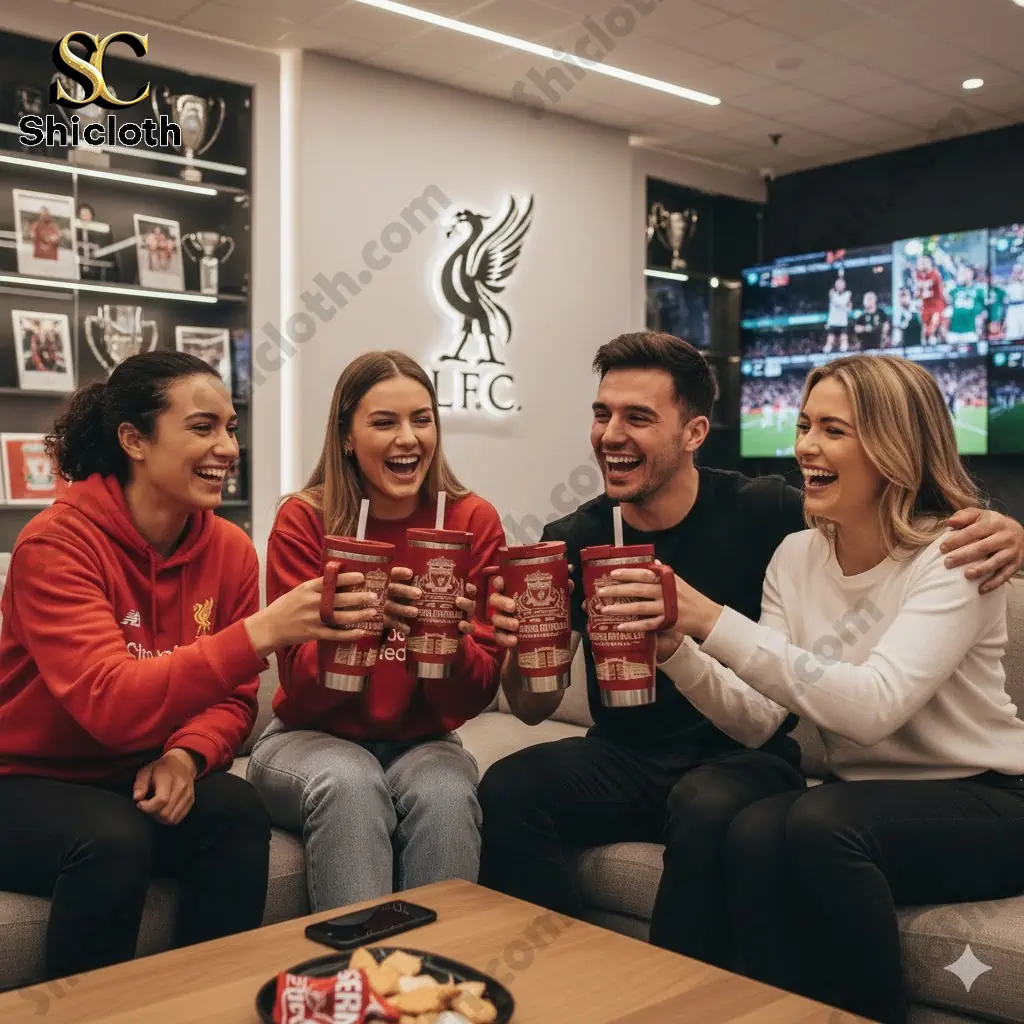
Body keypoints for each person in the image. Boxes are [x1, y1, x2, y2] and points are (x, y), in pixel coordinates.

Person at [477, 332, 1024, 975]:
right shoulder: (795, 551)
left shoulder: (802, 521)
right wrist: (670, 647)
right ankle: (574, 988)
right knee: (519, 787)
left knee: (785, 822)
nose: (804, 446)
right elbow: (757, 710)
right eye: (803, 425)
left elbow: (871, 702)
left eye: (832, 430)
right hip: (675, 759)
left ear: (694, 432)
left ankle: (681, 1002)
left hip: (938, 788)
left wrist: (703, 617)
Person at [0, 351, 348, 982]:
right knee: (110, 840)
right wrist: (259, 633)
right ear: (134, 439)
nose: (227, 447)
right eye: (202, 427)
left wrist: (187, 755)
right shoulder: (56, 544)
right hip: (22, 781)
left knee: (235, 810)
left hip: (137, 773)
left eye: (231, 428)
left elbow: (235, 697)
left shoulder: (230, 550)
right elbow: (109, 702)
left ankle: (205, 1004)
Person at [248, 350, 504, 912]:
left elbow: (474, 696)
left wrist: (447, 642)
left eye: (422, 418)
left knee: (445, 791)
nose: (407, 438)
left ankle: (433, 982)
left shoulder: (470, 520)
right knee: (350, 780)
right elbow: (304, 686)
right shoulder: (304, 519)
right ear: (345, 435)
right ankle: (358, 979)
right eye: (383, 422)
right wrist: (359, 629)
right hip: (307, 738)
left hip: (426, 740)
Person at [823, 274, 851, 353]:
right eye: (838, 284)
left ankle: (844, 352)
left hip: (842, 322)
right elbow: (837, 303)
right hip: (833, 321)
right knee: (830, 339)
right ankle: (826, 352)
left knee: (844, 338)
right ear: (835, 285)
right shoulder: (832, 293)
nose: (839, 286)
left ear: (844, 285)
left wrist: (845, 306)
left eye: (841, 284)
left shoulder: (848, 294)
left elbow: (843, 303)